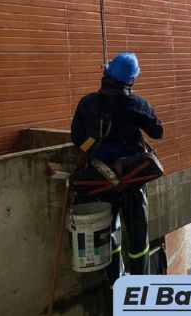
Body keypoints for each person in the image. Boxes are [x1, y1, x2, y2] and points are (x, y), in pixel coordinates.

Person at [70, 52, 163, 281]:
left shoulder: (87, 103)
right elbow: (157, 132)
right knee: (137, 236)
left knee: (109, 231)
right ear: (131, 80)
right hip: (131, 178)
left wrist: (97, 147)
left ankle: (115, 282)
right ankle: (140, 286)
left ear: (107, 74)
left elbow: (76, 138)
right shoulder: (136, 104)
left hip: (101, 178)